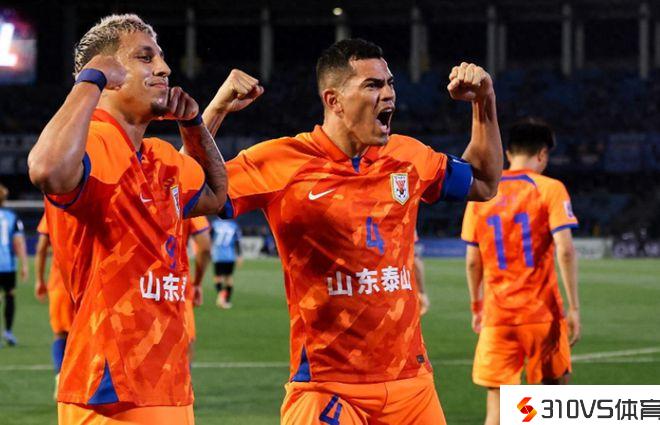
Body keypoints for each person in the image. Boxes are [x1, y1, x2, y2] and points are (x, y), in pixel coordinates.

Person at [203, 38, 502, 424]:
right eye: (373, 85)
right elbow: (186, 194)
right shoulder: (282, 161)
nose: (388, 94)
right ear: (334, 100)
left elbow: (484, 182)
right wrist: (214, 110)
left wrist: (484, 100)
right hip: (328, 389)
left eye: (390, 83)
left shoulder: (408, 156)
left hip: (412, 386)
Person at [27, 13, 260, 424]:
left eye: (162, 57)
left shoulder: (156, 156)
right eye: (145, 57)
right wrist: (90, 79)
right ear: (109, 73)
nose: (164, 68)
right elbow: (47, 169)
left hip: (167, 381)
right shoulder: (95, 142)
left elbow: (213, 193)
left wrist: (196, 121)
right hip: (111, 393)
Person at [460, 118, 580, 425]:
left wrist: (477, 306)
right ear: (542, 154)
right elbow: (566, 250)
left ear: (508, 153)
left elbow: (473, 261)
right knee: (553, 405)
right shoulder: (550, 188)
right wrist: (574, 308)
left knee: (498, 410)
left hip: (498, 316)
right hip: (542, 314)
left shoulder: (482, 193)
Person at [34, 212, 76, 397]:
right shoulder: (91, 202)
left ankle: (61, 377)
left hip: (61, 283)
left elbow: (41, 247)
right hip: (89, 283)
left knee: (60, 333)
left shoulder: (53, 210)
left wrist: (39, 280)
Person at [0, 183, 28, 346]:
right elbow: (19, 242)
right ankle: (8, 332)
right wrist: (24, 264)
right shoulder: (12, 217)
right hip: (7, 265)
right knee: (9, 295)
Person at [181, 215, 211, 356]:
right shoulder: (184, 200)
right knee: (183, 344)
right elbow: (205, 247)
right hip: (175, 284)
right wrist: (197, 283)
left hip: (136, 283)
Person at [209, 218, 242, 309]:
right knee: (229, 278)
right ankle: (226, 300)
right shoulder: (234, 225)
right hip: (230, 256)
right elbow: (237, 241)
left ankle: (221, 296)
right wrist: (239, 255)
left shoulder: (215, 224)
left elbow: (209, 238)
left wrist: (209, 252)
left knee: (218, 278)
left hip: (218, 256)